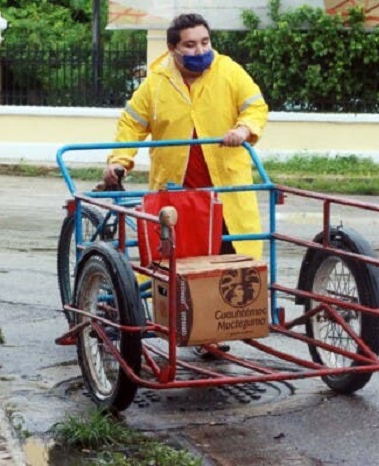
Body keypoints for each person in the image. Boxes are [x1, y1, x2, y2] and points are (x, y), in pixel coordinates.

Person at [103, 13, 268, 357]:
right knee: (180, 264)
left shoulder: (229, 71)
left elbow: (256, 106)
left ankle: (212, 330)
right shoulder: (156, 83)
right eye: (190, 44)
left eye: (205, 42)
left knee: (227, 261)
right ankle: (190, 327)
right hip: (175, 194)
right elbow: (132, 124)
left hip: (225, 190)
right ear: (173, 49)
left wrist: (243, 130)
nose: (200, 50)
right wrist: (120, 160)